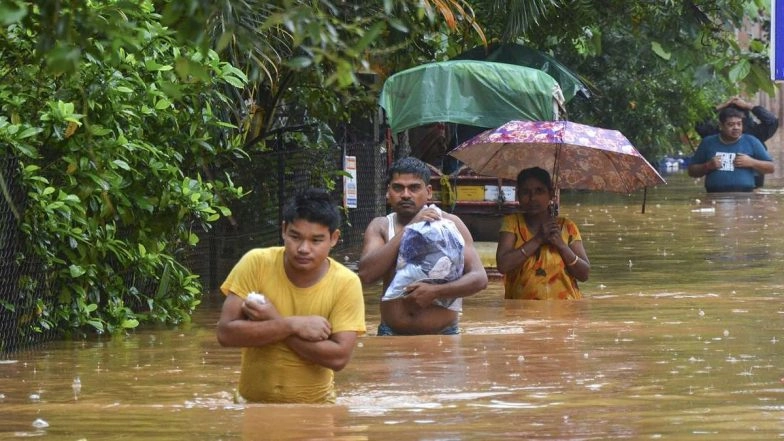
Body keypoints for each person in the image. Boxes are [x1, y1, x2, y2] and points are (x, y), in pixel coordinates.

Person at [216, 188, 366, 404]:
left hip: (318, 411)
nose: (303, 249)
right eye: (296, 237)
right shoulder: (256, 263)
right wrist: (291, 325)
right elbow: (225, 334)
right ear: (284, 230)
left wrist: (274, 320)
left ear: (334, 238)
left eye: (316, 240)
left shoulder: (346, 283)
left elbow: (339, 358)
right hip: (250, 406)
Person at [358, 157, 487, 335]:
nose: (405, 194)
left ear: (428, 192)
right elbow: (366, 275)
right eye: (398, 187)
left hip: (445, 334)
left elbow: (480, 278)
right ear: (388, 192)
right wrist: (410, 229)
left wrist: (436, 292)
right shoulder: (380, 226)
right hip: (392, 333)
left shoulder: (451, 224)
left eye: (414, 188)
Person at [495, 167, 589, 300]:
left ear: (551, 194)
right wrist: (538, 239)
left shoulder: (566, 227)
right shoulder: (512, 224)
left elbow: (584, 274)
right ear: (518, 195)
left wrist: (561, 245)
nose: (532, 198)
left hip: (565, 312)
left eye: (539, 191)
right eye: (526, 192)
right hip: (522, 313)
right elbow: (503, 265)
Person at [695, 96, 778, 187]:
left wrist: (747, 106)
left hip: (752, 181)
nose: (736, 128)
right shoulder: (714, 137)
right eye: (730, 124)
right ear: (722, 125)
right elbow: (699, 123)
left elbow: (772, 121)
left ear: (742, 120)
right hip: (719, 187)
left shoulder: (754, 136)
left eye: (739, 123)